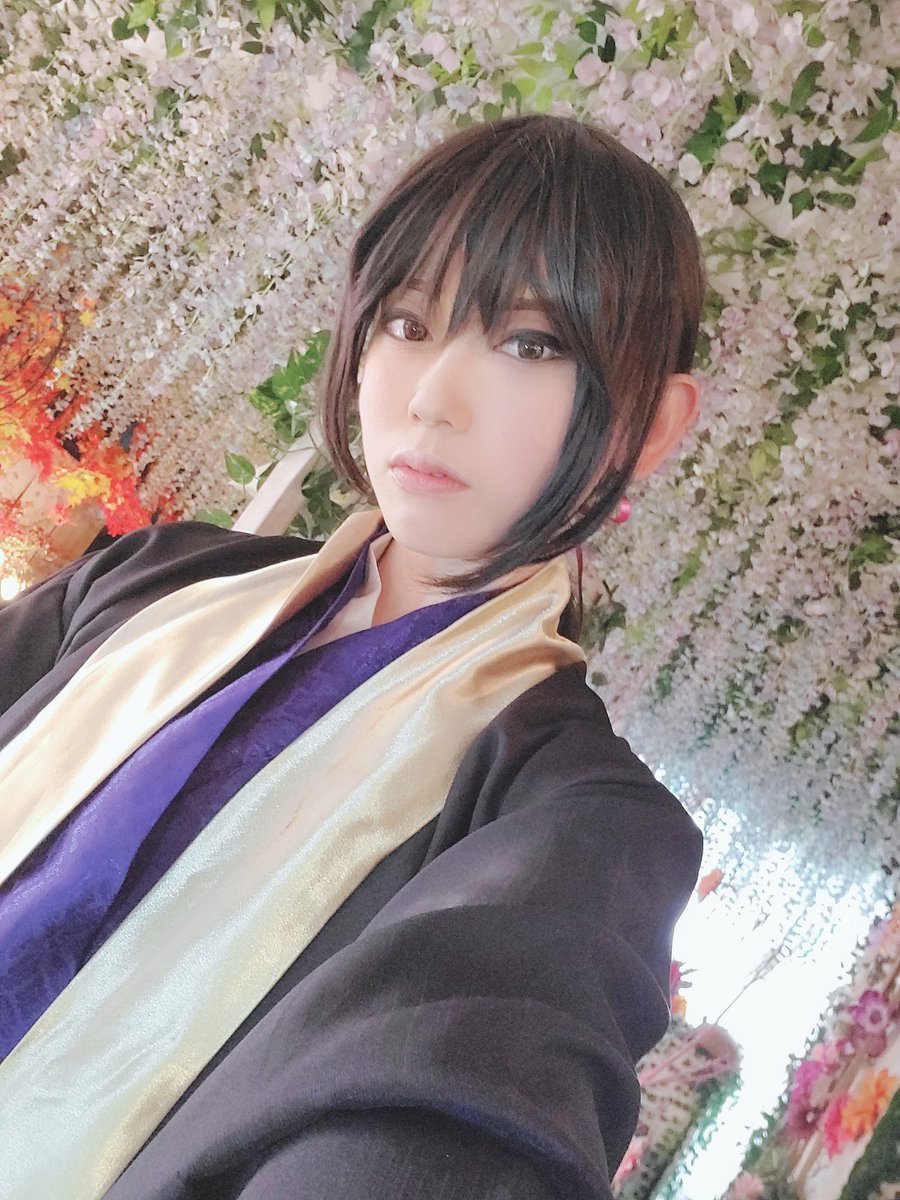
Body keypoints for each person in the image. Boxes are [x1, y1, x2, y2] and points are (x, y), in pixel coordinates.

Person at [0, 113, 704, 1199]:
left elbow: (454, 1111)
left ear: (649, 425)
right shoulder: (152, 580)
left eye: (530, 344)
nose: (431, 399)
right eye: (408, 322)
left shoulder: (575, 821)